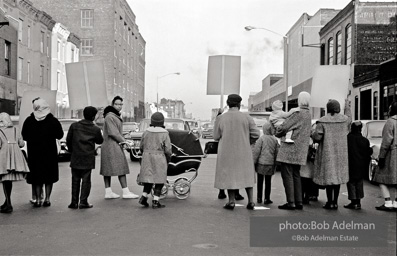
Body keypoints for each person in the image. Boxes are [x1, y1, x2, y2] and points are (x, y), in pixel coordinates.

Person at [213, 94, 260, 210]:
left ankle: (231, 201)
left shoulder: (221, 118)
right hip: (243, 150)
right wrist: (248, 141)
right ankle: (251, 201)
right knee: (247, 175)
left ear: (228, 104)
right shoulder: (246, 117)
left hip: (226, 151)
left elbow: (215, 136)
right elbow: (256, 134)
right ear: (239, 104)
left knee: (229, 175)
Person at [22, 98, 64, 207]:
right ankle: (47, 199)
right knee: (48, 177)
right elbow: (59, 135)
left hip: (34, 153)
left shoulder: (29, 121)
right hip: (49, 153)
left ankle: (38, 200)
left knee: (37, 177)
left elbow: (24, 136)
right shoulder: (53, 121)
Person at [312, 99, 351, 210]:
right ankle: (335, 202)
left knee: (329, 178)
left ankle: (330, 202)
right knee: (337, 178)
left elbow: (317, 137)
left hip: (327, 153)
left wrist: (312, 134)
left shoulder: (322, 121)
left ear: (328, 108)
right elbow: (350, 117)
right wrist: (347, 105)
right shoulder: (344, 120)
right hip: (341, 154)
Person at [275, 91, 312, 210]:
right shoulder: (308, 114)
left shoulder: (297, 113)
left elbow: (284, 127)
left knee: (287, 175)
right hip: (301, 150)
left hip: (290, 149)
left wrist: (278, 132)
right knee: (296, 175)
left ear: (299, 101)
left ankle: (291, 202)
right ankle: (299, 201)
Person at [100, 96, 138, 199]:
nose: (119, 106)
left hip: (110, 145)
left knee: (107, 169)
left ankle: (108, 192)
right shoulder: (110, 116)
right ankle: (125, 192)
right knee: (121, 167)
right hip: (112, 145)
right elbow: (113, 133)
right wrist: (124, 141)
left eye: (121, 104)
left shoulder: (112, 116)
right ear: (113, 104)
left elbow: (116, 132)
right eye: (117, 104)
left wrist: (124, 138)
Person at [66, 106, 104, 209]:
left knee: (75, 179)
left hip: (76, 155)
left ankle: (74, 202)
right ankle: (83, 202)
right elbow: (100, 141)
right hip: (88, 156)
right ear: (93, 116)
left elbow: (68, 140)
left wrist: (72, 150)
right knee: (86, 180)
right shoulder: (95, 128)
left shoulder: (74, 126)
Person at [138, 112, 172, 209]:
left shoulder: (146, 132)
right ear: (162, 122)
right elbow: (168, 149)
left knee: (149, 178)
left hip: (147, 156)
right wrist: (168, 158)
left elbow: (141, 146)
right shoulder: (164, 133)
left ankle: (143, 197)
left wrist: (144, 153)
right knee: (159, 179)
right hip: (159, 157)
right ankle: (156, 201)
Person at [0, 113, 30, 213]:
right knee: (8, 179)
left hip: (4, 156)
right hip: (15, 156)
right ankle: (7, 202)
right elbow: (21, 143)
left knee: (5, 179)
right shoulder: (16, 129)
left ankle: (8, 204)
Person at [373, 101, 397, 211]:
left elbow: (386, 141)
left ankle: (388, 202)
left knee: (380, 178)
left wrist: (381, 157)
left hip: (392, 155)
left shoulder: (390, 122)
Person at [344, 121, 372, 210]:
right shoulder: (365, 140)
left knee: (351, 182)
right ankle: (358, 202)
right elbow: (368, 153)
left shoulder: (348, 138)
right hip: (361, 165)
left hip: (351, 163)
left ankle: (353, 202)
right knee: (359, 182)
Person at [252, 120, 279, 204]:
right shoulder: (274, 140)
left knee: (260, 182)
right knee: (268, 182)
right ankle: (267, 198)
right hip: (270, 164)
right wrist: (276, 163)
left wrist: (254, 161)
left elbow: (256, 151)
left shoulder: (261, 139)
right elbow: (276, 153)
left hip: (261, 163)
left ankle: (259, 198)